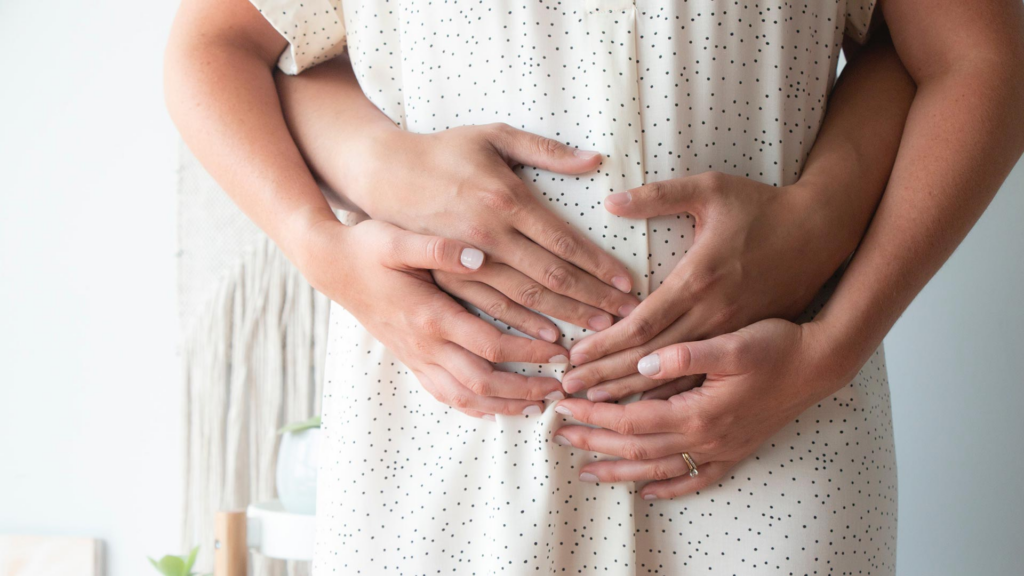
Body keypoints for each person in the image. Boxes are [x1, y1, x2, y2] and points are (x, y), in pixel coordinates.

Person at [163, 0, 1024, 572]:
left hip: (767, 428)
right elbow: (220, 43)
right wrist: (326, 253)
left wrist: (830, 347)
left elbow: (975, 54)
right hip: (441, 439)